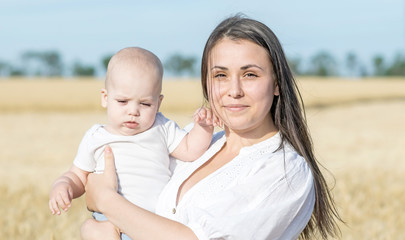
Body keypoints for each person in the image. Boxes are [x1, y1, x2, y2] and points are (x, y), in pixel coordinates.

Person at [83, 15, 342, 240]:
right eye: (220, 75)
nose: (234, 91)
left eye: (250, 74)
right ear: (207, 83)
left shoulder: (284, 171)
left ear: (276, 84)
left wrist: (107, 201)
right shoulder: (194, 144)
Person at [48, 47, 219, 240]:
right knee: (95, 230)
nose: (133, 111)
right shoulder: (96, 137)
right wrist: (63, 185)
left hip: (153, 224)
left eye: (145, 104)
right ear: (105, 98)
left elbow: (190, 150)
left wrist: (204, 127)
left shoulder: (161, 127)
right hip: (109, 221)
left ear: (158, 103)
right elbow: (78, 176)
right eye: (122, 101)